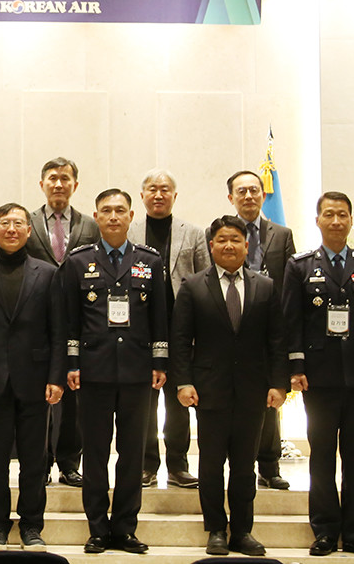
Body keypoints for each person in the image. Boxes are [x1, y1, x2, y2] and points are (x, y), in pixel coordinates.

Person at [284, 192, 354, 558]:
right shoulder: (299, 266)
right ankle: (326, 531)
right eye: (328, 214)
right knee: (322, 455)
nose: (335, 221)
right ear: (317, 220)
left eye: (342, 215)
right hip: (319, 376)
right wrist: (295, 368)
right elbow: (292, 321)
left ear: (350, 219)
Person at [172, 215, 286, 557]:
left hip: (253, 389)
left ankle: (242, 531)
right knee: (210, 464)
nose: (228, 245)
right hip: (209, 388)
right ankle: (216, 530)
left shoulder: (264, 286)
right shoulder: (193, 286)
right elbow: (180, 339)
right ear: (211, 246)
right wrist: (183, 382)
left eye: (235, 239)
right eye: (221, 239)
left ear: (246, 245)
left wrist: (279, 384)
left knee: (244, 465)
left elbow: (277, 340)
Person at [62, 189, 167, 554]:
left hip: (138, 371)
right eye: (105, 211)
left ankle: (124, 527)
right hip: (94, 370)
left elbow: (160, 317)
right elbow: (69, 320)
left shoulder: (149, 261)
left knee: (132, 451)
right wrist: (72, 364)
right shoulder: (79, 261)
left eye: (120, 210)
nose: (113, 217)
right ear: (96, 215)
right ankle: (97, 527)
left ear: (130, 215)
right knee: (94, 450)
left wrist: (159, 363)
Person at [0, 203, 66, 552]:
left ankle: (32, 524)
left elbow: (57, 331)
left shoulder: (48, 273)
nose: (11, 229)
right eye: (4, 223)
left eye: (18, 223)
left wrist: (56, 376)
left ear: (28, 230)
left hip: (36, 379)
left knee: (35, 460)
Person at [128, 169, 206, 490]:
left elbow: (205, 281)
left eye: (165, 190)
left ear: (175, 195)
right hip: (140, 331)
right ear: (142, 194)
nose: (158, 195)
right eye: (152, 189)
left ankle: (178, 464)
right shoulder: (128, 232)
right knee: (143, 402)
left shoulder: (195, 234)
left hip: (181, 331)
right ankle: (146, 464)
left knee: (179, 401)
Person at [223, 169, 295, 491]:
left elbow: (291, 284)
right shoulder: (224, 233)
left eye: (254, 190)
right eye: (242, 192)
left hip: (268, 329)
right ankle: (238, 466)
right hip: (232, 328)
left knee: (270, 400)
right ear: (231, 198)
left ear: (263, 195)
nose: (249, 196)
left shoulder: (281, 234)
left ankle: (270, 466)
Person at [26, 157, 94, 487]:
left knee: (72, 395)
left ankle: (69, 462)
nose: (58, 184)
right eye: (52, 178)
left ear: (74, 185)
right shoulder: (26, 223)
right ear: (42, 184)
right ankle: (39, 461)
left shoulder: (89, 226)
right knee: (39, 394)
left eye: (65, 178)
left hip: (78, 319)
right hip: (36, 321)